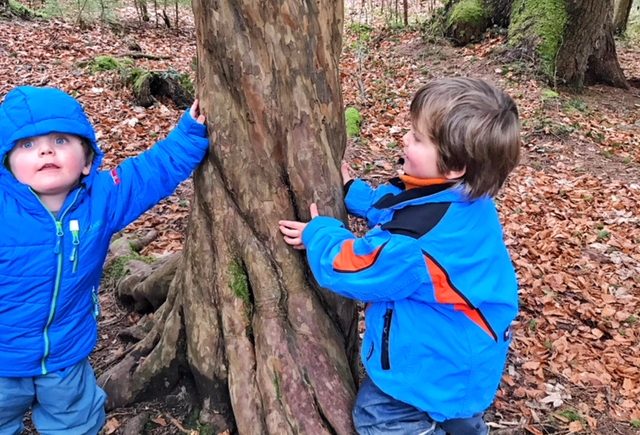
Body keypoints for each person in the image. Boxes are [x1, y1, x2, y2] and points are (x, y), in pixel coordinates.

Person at [279, 77, 521, 435]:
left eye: (418, 138)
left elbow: (355, 267)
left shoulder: (412, 249)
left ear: (455, 166)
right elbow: (409, 208)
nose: (405, 139)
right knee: (460, 420)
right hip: (468, 358)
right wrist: (355, 194)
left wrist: (320, 234)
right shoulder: (467, 199)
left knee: (380, 419)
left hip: (428, 372)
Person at [0, 86, 209, 435]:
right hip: (3, 359)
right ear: (7, 163)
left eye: (61, 140)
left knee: (76, 422)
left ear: (86, 160)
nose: (46, 150)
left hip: (67, 354)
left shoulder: (101, 198)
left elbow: (150, 173)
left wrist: (189, 132)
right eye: (27, 145)